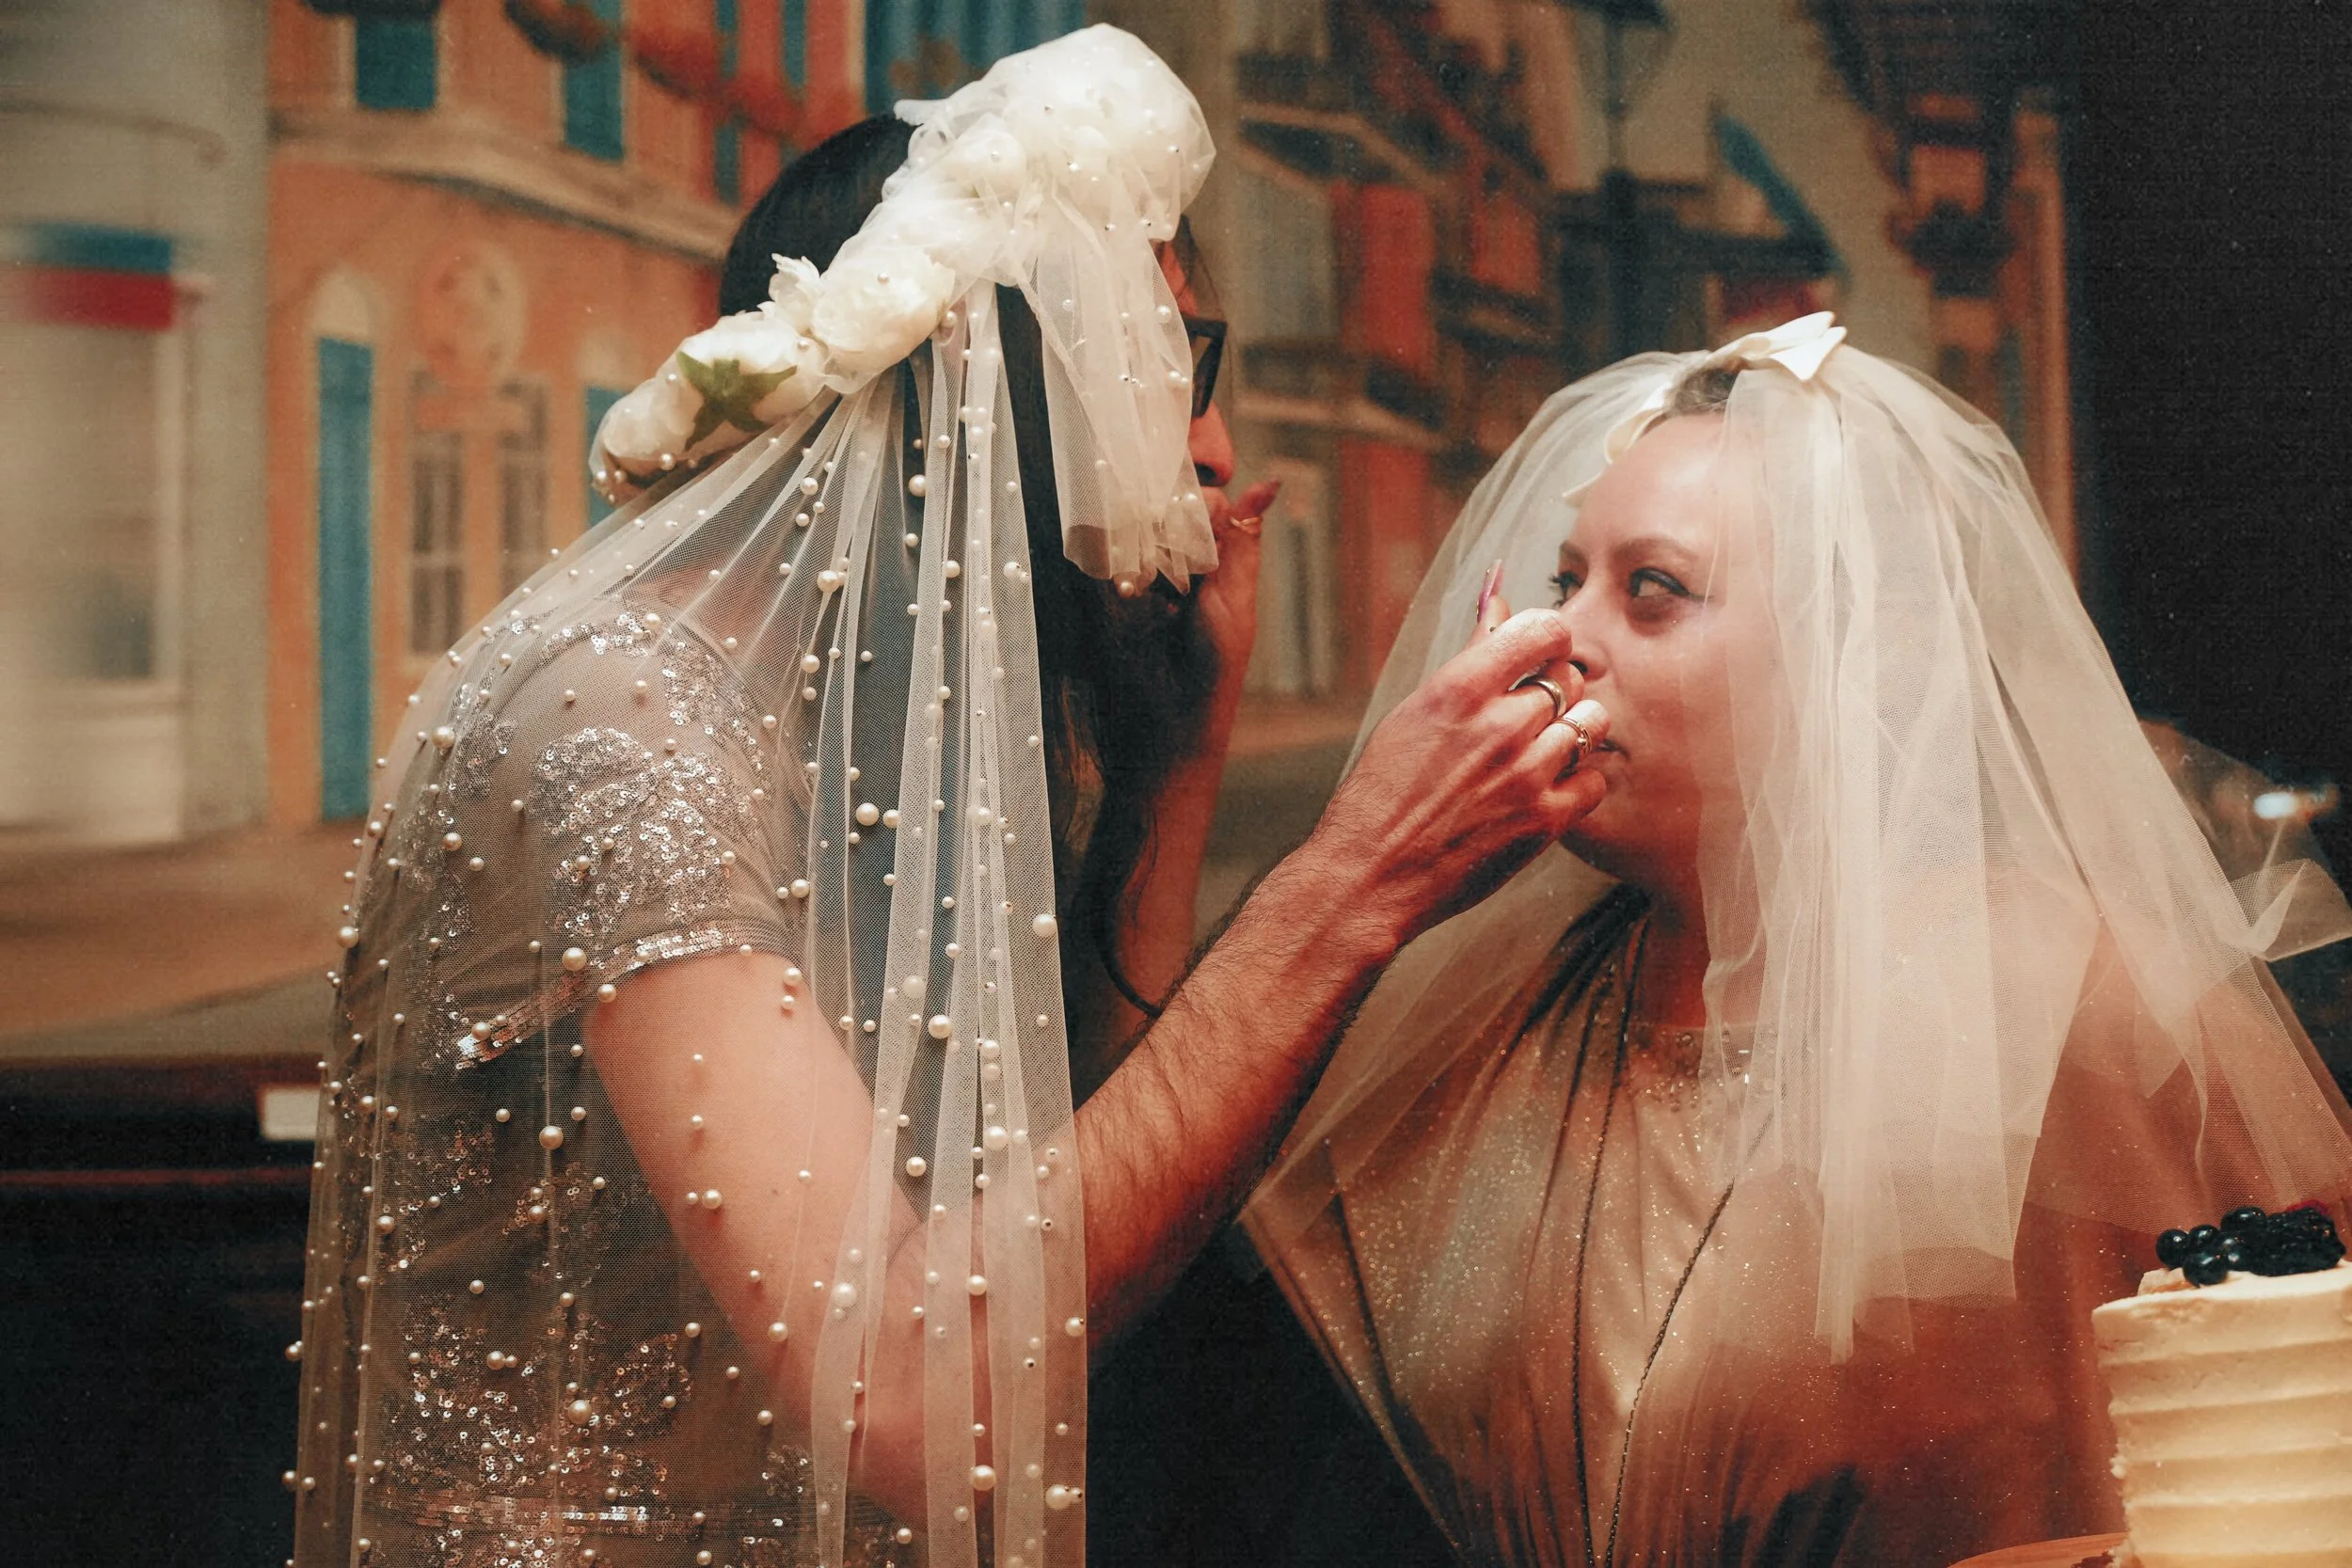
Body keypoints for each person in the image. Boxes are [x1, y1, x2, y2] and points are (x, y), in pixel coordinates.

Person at [287, 27, 1605, 1568]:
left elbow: (1039, 1209)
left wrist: (1171, 775)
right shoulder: (620, 717)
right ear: (982, 395)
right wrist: (1353, 881)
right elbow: (908, 1398)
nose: (1216, 448)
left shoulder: (843, 706)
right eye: (1176, 368)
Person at [1244, 314, 2352, 1564]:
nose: (1562, 641)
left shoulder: (2071, 1011)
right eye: (1568, 583)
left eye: (1650, 591)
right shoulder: (1512, 1012)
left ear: (1859, 653)